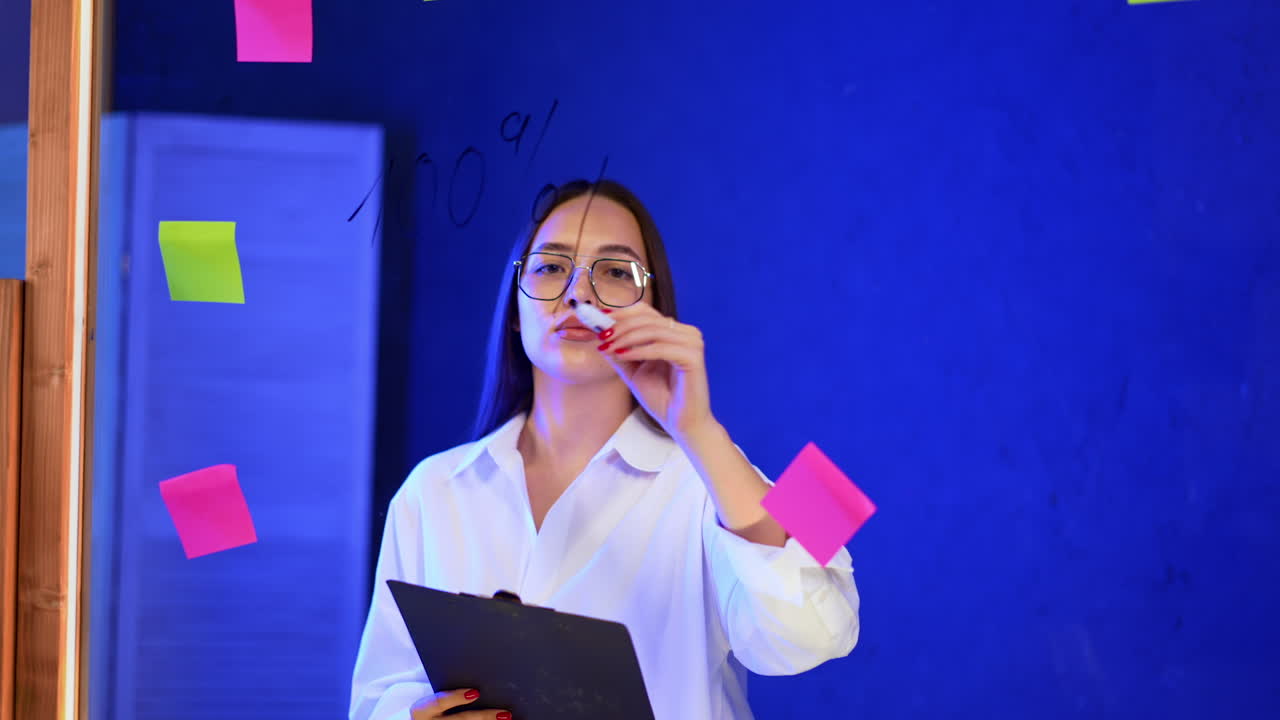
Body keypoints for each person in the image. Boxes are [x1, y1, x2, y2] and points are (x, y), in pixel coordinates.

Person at [349, 180, 861, 720]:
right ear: (516, 310)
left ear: (656, 307)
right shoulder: (432, 488)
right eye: (550, 267)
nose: (578, 294)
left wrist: (701, 430)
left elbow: (823, 633)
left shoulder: (725, 477)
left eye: (615, 272)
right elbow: (374, 696)